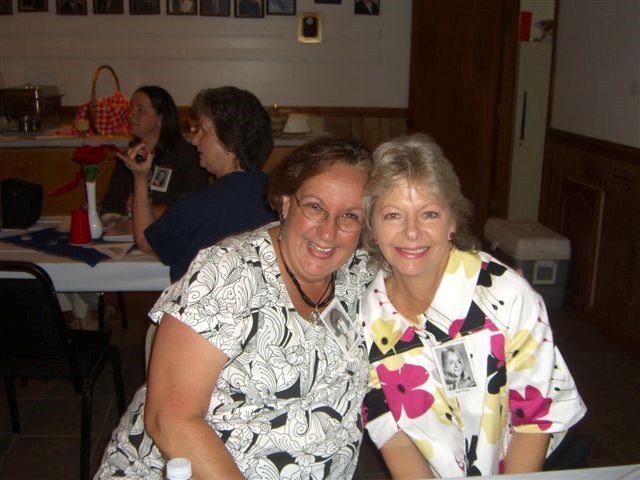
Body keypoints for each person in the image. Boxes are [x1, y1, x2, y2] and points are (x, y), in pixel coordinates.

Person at [95, 137, 374, 479]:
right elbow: (170, 419)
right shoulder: (228, 273)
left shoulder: (359, 274)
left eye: (350, 216)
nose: (329, 231)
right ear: (286, 203)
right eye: (315, 207)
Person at [360, 133, 587, 478]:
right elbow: (394, 437)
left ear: (452, 222)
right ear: (372, 228)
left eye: (429, 214)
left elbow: (534, 423)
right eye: (392, 215)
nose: (411, 232)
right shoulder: (367, 320)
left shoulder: (506, 296)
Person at [117, 86, 277, 283]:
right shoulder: (282, 197)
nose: (194, 141)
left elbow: (145, 242)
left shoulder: (196, 206)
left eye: (203, 131)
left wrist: (140, 179)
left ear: (229, 142)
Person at [101, 86, 209, 217]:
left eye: (140, 110)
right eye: (131, 108)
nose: (130, 115)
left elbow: (195, 208)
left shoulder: (187, 156)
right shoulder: (129, 157)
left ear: (161, 119)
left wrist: (147, 208)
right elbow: (109, 207)